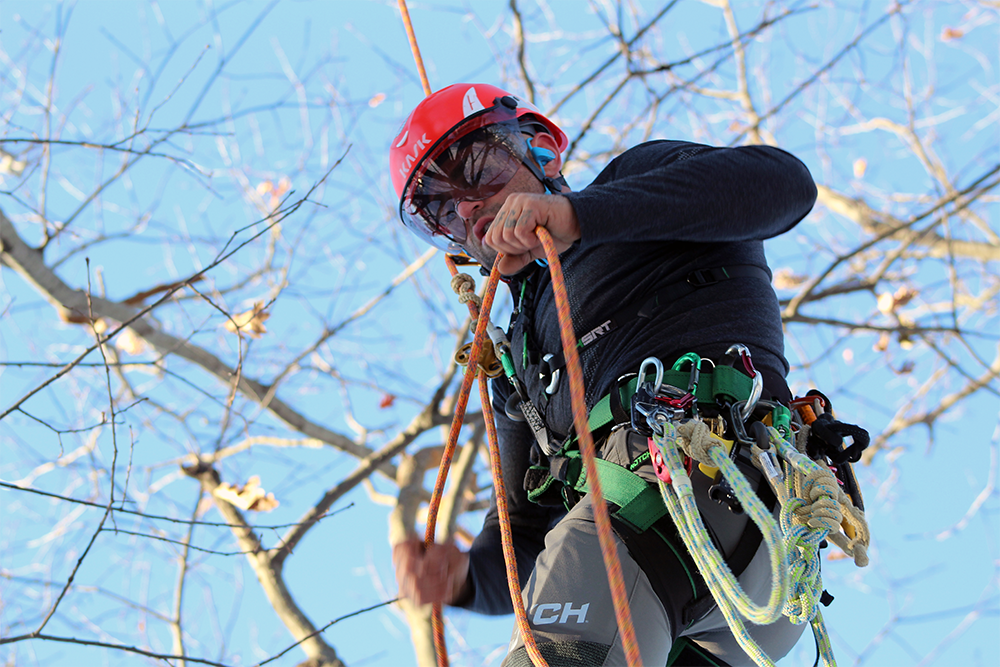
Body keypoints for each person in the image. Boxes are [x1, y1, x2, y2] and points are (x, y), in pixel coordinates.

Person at [389, 83, 818, 667]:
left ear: (541, 150)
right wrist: (463, 577)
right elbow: (521, 533)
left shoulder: (635, 193)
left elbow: (784, 184)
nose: (465, 207)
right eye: (439, 208)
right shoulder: (519, 362)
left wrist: (577, 217)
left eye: (474, 168)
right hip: (685, 577)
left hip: (699, 489)